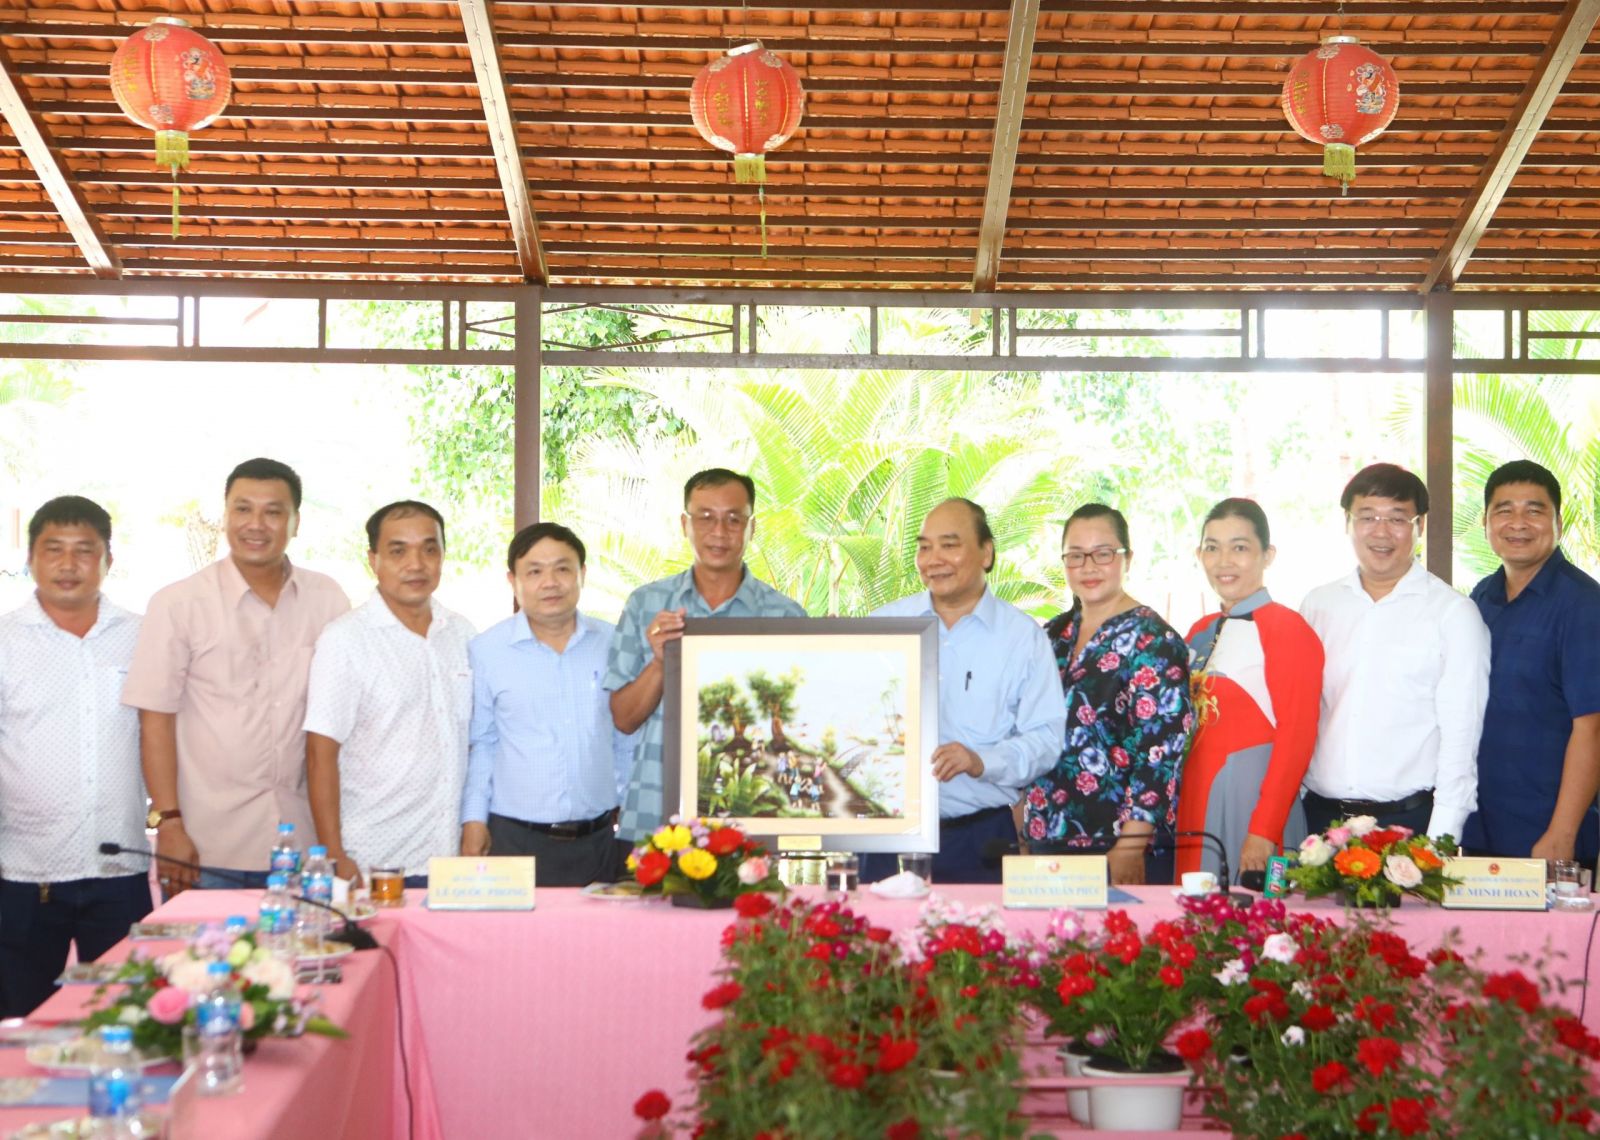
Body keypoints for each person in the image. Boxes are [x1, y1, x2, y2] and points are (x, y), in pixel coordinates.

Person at [122, 458, 351, 892]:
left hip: (304, 843)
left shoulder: (328, 600)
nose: (256, 524)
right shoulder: (178, 604)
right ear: (225, 515)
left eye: (273, 511)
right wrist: (169, 821)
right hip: (206, 846)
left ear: (296, 522)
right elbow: (155, 720)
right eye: (242, 509)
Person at [0, 497, 149, 1017]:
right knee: (22, 1021)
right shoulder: (5, 640)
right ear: (30, 557)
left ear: (109, 559)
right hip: (24, 871)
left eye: (84, 550)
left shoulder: (143, 635)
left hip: (121, 865)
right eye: (54, 549)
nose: (68, 564)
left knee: (127, 1017)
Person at [606, 469, 806, 843]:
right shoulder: (645, 605)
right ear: (685, 524)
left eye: (734, 519)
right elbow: (624, 719)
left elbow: (798, 721)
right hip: (656, 816)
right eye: (705, 518)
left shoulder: (785, 616)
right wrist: (660, 662)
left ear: (752, 528)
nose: (719, 532)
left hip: (752, 819)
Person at [871, 499, 1065, 883]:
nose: (933, 559)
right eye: (924, 547)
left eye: (949, 545)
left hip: (979, 838)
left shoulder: (1022, 638)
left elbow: (1046, 739)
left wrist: (981, 761)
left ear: (986, 553)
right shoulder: (883, 626)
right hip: (885, 836)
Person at [1300, 463, 1489, 841]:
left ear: (1420, 526)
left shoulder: (1453, 613)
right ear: (1347, 523)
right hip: (1318, 820)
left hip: (1408, 825)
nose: (1381, 531)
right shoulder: (1318, 605)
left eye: (1397, 518)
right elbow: (1302, 713)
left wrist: (1440, 840)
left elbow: (1461, 736)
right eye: (1367, 516)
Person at [303, 501, 475, 888]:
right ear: (373, 560)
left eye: (429, 549)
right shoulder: (346, 640)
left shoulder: (462, 634)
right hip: (373, 860)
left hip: (451, 858)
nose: (416, 564)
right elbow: (319, 755)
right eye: (398, 551)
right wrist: (334, 853)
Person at [1022, 504, 1193, 885]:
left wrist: (1131, 845)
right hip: (1045, 833)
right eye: (1075, 555)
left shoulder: (1156, 640)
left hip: (1119, 844)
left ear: (1128, 558)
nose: (1088, 567)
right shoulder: (1051, 636)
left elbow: (1161, 753)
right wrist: (1022, 825)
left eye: (1103, 553)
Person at [462, 522, 636, 887]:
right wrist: (473, 820)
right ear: (513, 581)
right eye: (535, 572)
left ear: (582, 574)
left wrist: (632, 813)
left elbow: (625, 737)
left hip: (600, 842)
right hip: (514, 840)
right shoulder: (486, 651)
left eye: (562, 569)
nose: (550, 582)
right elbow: (483, 744)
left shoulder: (613, 643)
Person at [1462, 460, 1600, 866]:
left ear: (1559, 523)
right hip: (1481, 824)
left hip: (1546, 832)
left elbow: (1592, 727)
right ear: (1486, 522)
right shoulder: (1481, 597)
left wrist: (1563, 832)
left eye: (1534, 510)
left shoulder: (1584, 604)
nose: (1518, 523)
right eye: (1504, 510)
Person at [1179, 498, 1323, 881]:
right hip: (1195, 804)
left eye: (1239, 548)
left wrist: (1264, 829)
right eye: (1212, 548)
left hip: (1254, 811)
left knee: (1253, 914)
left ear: (1267, 555)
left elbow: (1297, 738)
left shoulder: (1287, 629)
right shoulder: (1199, 631)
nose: (1224, 561)